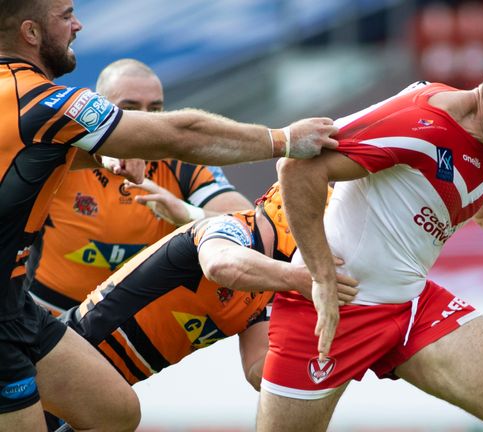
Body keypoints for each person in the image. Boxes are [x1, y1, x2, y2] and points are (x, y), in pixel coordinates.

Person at [0, 0, 336, 430]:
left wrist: (181, 209)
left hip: (22, 311)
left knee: (115, 413)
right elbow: (184, 133)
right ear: (30, 33)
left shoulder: (62, 133)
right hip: (38, 312)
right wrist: (284, 139)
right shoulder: (46, 104)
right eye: (66, 16)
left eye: (155, 108)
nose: (78, 25)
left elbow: (243, 221)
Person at [262, 39, 483, 431]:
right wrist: (320, 275)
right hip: (333, 307)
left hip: (411, 305)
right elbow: (298, 170)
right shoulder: (420, 122)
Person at [60, 183, 356, 390]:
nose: (323, 256)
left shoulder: (271, 287)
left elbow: (257, 371)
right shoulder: (228, 228)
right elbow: (220, 265)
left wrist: (333, 353)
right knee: (120, 415)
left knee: (117, 413)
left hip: (109, 378)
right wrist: (302, 280)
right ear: (293, 222)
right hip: (73, 349)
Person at [24, 58, 254, 316]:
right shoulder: (64, 152)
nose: (145, 120)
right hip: (48, 312)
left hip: (134, 321)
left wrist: (188, 214)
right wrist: (105, 152)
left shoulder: (181, 161)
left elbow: (249, 226)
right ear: (100, 106)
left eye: (155, 109)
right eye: (130, 108)